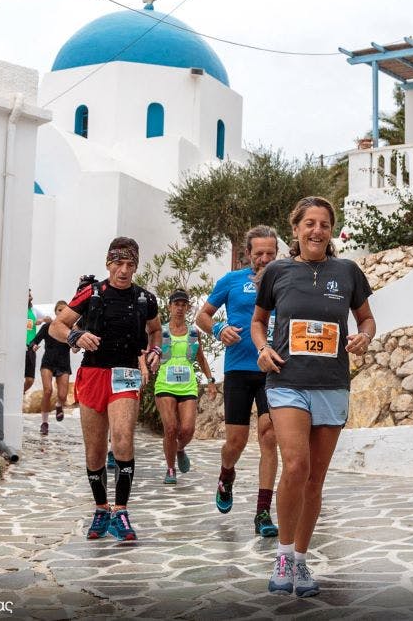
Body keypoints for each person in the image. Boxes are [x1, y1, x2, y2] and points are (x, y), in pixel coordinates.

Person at [251, 196, 376, 597]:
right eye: (309, 223)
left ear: (331, 230)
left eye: (323, 224)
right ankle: (283, 554)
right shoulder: (277, 271)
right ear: (296, 229)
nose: (316, 230)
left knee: (315, 479)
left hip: (332, 383)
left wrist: (365, 336)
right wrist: (261, 348)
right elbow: (258, 321)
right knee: (296, 465)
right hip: (287, 381)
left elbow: (367, 319)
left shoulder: (348, 271)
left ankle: (302, 560)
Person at [49, 237, 161, 542]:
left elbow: (155, 330)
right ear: (108, 263)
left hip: (124, 374)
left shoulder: (145, 299)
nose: (124, 270)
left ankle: (121, 511)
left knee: (123, 441)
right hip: (93, 374)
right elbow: (55, 327)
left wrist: (154, 353)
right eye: (118, 263)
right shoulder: (92, 293)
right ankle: (101, 509)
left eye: (130, 264)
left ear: (136, 265)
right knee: (95, 450)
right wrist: (76, 336)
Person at [196, 225, 280, 538]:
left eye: (270, 253)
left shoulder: (284, 279)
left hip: (273, 370)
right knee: (236, 441)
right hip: (239, 370)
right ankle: (226, 474)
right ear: (248, 254)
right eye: (259, 253)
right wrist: (218, 330)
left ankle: (262, 513)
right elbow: (202, 316)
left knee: (269, 435)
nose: (264, 259)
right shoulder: (231, 281)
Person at [154, 289, 217, 484]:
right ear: (169, 306)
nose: (180, 308)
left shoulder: (193, 332)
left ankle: (180, 449)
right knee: (171, 428)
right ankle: (170, 469)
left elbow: (201, 358)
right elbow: (150, 353)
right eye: (176, 304)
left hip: (187, 385)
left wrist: (210, 381)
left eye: (183, 305)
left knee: (188, 429)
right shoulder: (161, 331)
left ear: (187, 308)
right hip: (165, 383)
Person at [31, 300, 73, 436]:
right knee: (48, 390)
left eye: (64, 310)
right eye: (59, 310)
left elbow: (76, 346)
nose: (61, 312)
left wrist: (77, 346)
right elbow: (35, 340)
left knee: (62, 395)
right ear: (55, 312)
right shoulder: (48, 326)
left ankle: (59, 405)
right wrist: (34, 346)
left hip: (63, 364)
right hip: (48, 363)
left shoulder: (70, 329)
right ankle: (44, 423)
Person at [24, 290, 49, 395]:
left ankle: (20, 393)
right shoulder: (15, 310)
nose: (31, 298)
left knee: (30, 379)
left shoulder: (33, 310)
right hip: (17, 346)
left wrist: (42, 320)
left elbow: (49, 319)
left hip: (30, 346)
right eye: (29, 295)